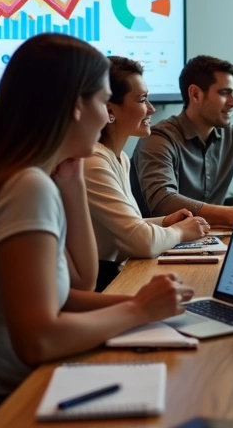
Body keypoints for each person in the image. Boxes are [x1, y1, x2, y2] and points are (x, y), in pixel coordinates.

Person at [0, 34, 194, 411]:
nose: (104, 117)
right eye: (101, 101)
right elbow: (38, 341)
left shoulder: (22, 176)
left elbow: (76, 284)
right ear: (74, 108)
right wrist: (139, 310)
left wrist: (73, 180)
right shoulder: (24, 187)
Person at [85, 56, 210, 290]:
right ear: (110, 109)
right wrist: (179, 232)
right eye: (143, 100)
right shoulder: (93, 163)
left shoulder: (119, 158)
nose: (151, 108)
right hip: (95, 286)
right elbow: (140, 241)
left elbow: (121, 228)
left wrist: (164, 223)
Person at [134, 55, 233, 227]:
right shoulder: (158, 139)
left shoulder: (231, 136)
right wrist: (231, 214)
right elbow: (163, 202)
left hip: (210, 242)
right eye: (224, 93)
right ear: (195, 94)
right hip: (162, 247)